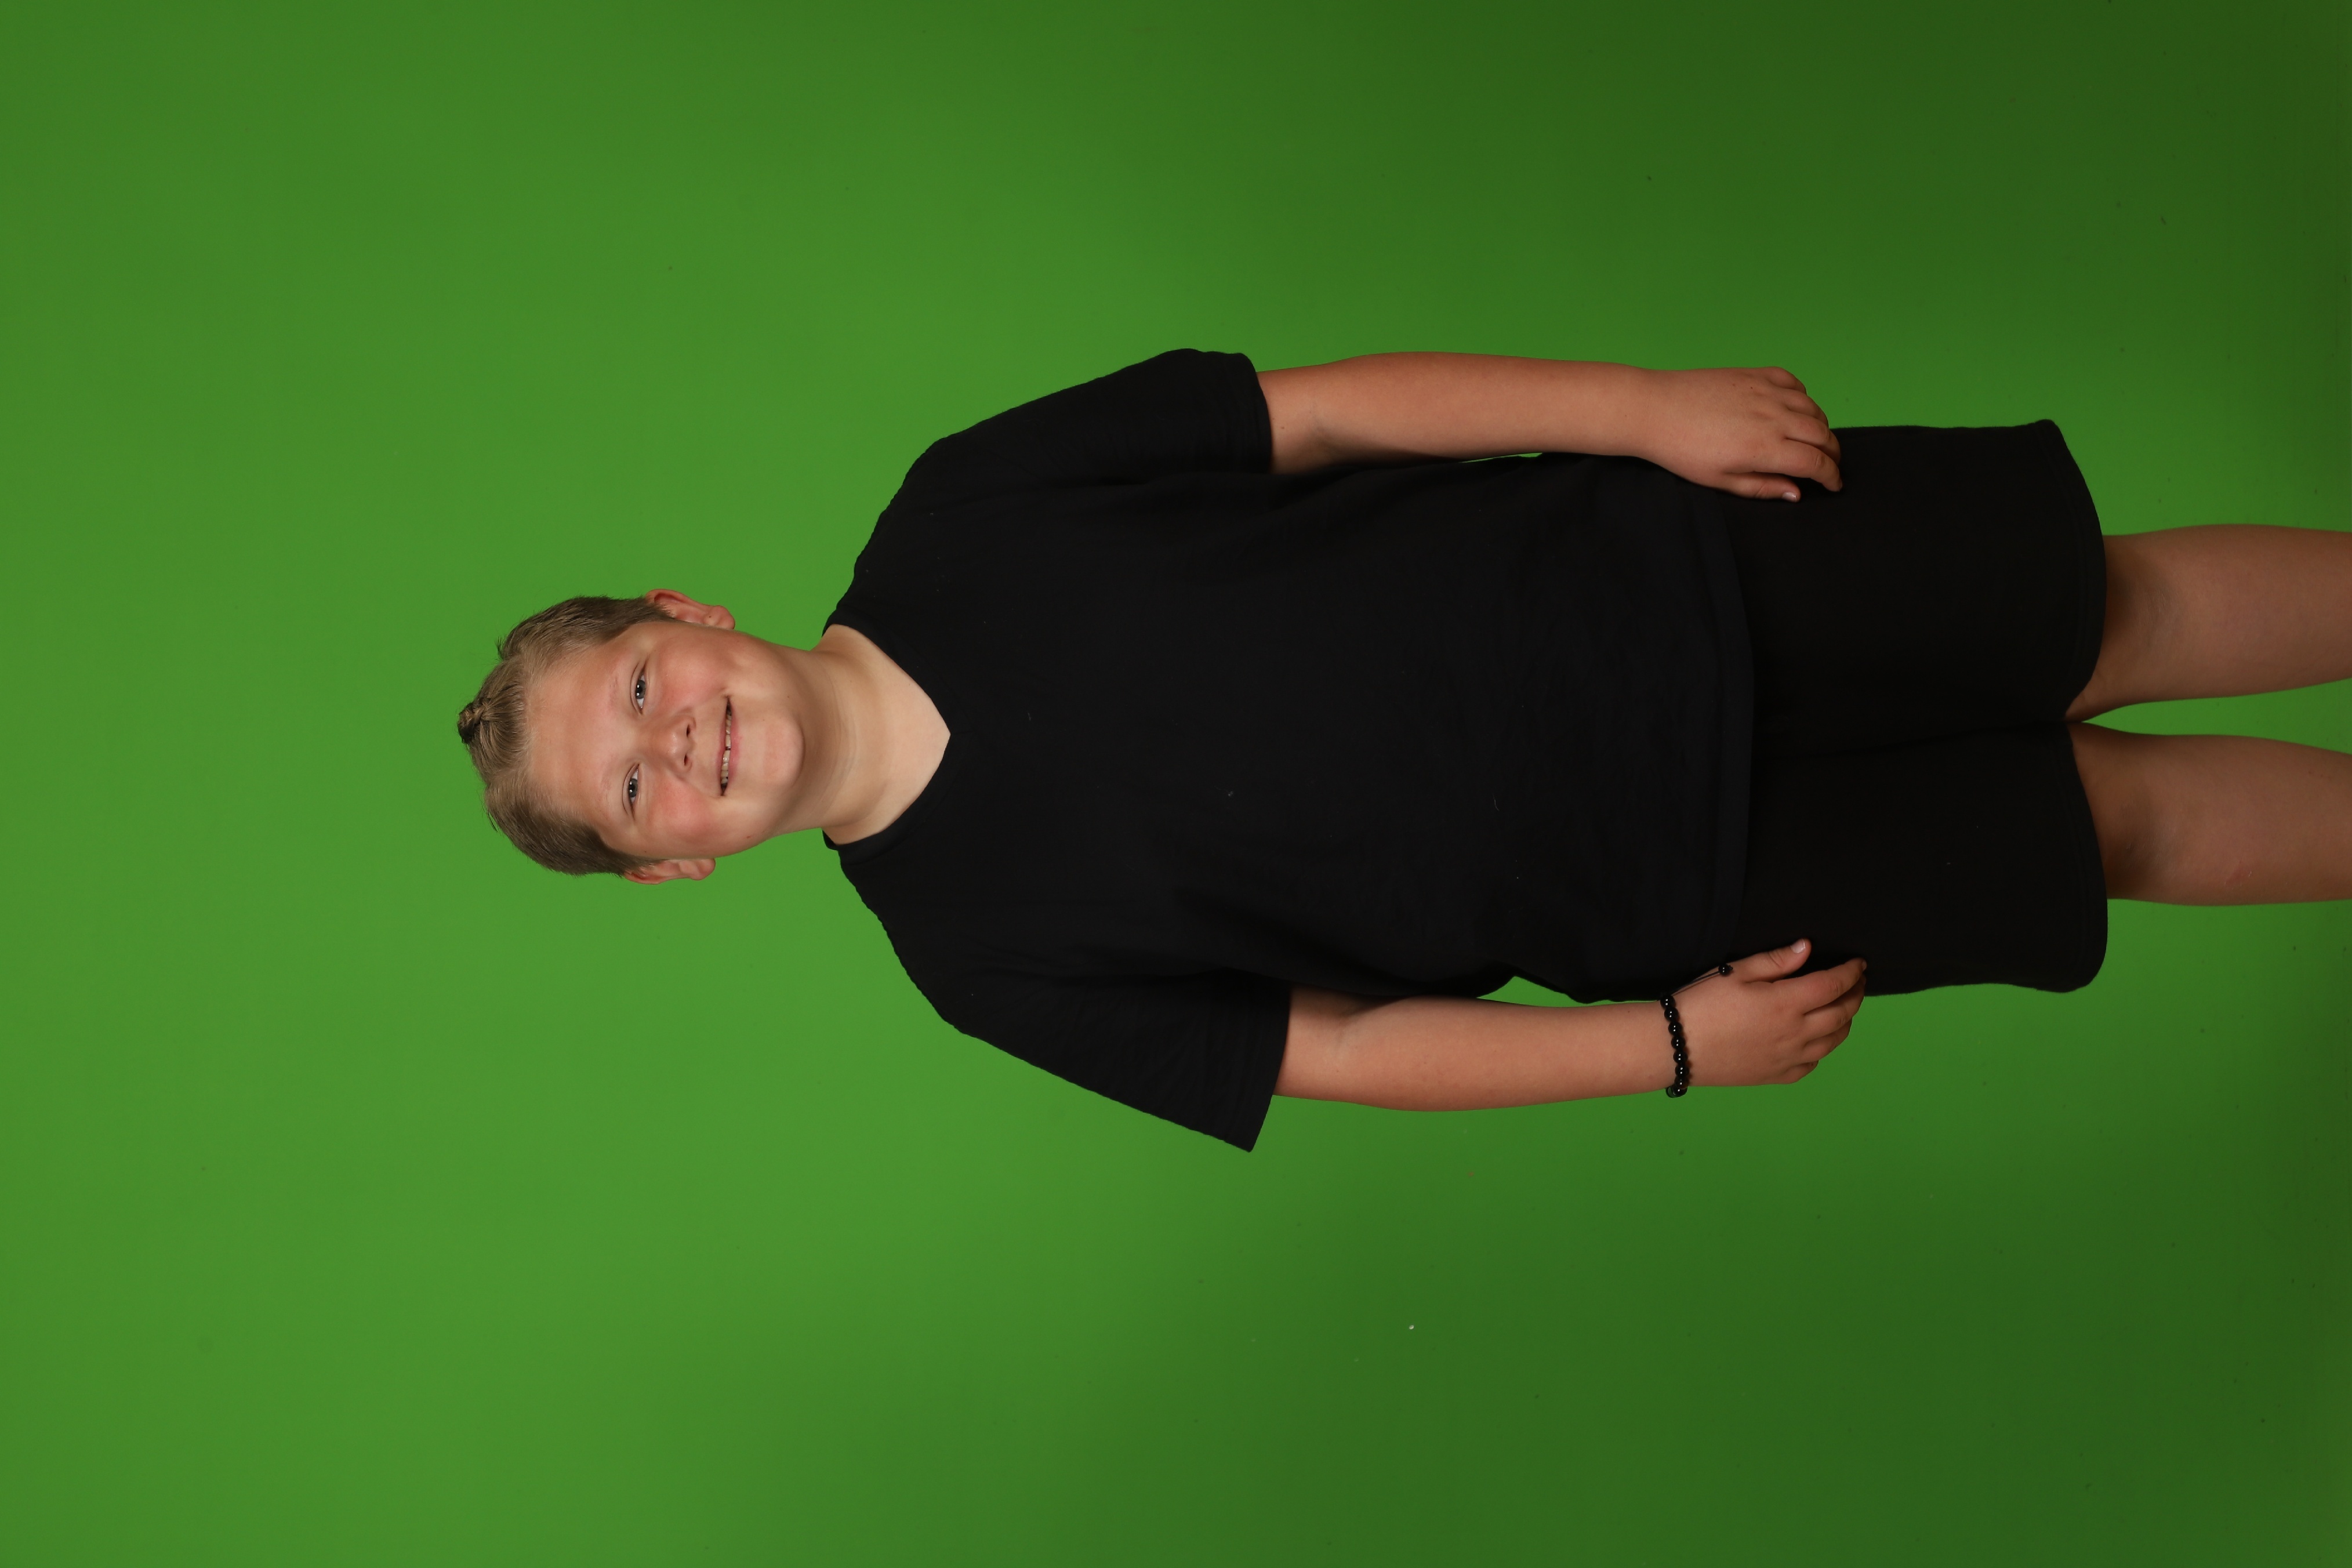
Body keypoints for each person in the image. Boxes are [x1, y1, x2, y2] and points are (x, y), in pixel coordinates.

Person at [455, 350, 2352, 1149]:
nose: (679, 740)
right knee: (2115, 830)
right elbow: (1341, 1049)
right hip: (1686, 877)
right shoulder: (978, 959)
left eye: (639, 684)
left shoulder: (965, 504)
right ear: (678, 862)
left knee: (2108, 611)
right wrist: (1666, 1045)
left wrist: (1639, 411)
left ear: (685, 614)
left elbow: (1327, 416)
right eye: (635, 788)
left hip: (1673, 567)